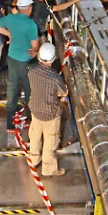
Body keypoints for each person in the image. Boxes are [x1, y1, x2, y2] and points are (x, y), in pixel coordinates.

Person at [0, 0, 40, 128]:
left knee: (12, 83)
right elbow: (35, 45)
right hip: (26, 61)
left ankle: (11, 111)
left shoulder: (10, 18)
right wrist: (36, 51)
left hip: (12, 57)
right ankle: (30, 115)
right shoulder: (31, 24)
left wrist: (9, 34)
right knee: (29, 86)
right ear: (30, 7)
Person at [28, 42, 68, 177]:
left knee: (35, 137)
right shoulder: (55, 78)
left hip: (35, 110)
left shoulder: (32, 71)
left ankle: (34, 160)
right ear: (53, 58)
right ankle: (48, 169)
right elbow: (63, 92)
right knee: (50, 142)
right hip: (51, 115)